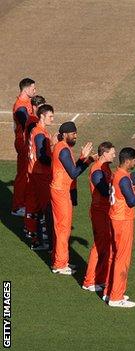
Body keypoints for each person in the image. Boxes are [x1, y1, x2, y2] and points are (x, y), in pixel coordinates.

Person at [103, 147, 135, 308]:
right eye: (134, 160)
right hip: (122, 220)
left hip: (114, 217)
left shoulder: (116, 174)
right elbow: (131, 201)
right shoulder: (123, 178)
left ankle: (109, 291)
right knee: (122, 258)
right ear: (128, 160)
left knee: (113, 255)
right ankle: (116, 297)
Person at [50, 121, 93, 275]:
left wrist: (86, 159)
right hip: (61, 192)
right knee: (63, 228)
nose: (76, 136)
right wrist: (85, 160)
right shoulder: (63, 150)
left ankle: (60, 259)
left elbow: (71, 169)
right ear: (65, 134)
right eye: (73, 133)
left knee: (62, 227)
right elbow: (73, 173)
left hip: (61, 190)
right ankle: (60, 264)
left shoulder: (63, 148)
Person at [82, 142, 116, 292]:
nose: (114, 155)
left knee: (105, 245)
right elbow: (104, 190)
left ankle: (100, 278)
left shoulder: (105, 168)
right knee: (99, 245)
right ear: (104, 153)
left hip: (105, 211)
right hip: (99, 212)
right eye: (112, 153)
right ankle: (89, 281)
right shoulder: (97, 171)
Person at [24, 104, 55, 250]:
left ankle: (38, 241)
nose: (52, 119)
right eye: (50, 116)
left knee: (36, 207)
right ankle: (50, 243)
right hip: (41, 175)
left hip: (34, 173)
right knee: (47, 208)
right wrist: (56, 156)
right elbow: (43, 157)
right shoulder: (40, 134)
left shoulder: (37, 131)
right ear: (42, 116)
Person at [11, 78, 37, 216]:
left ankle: (24, 202)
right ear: (26, 89)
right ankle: (17, 207)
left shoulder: (26, 102)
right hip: (22, 143)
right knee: (22, 175)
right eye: (33, 88)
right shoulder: (20, 107)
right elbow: (25, 121)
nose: (35, 90)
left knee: (26, 174)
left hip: (26, 142)